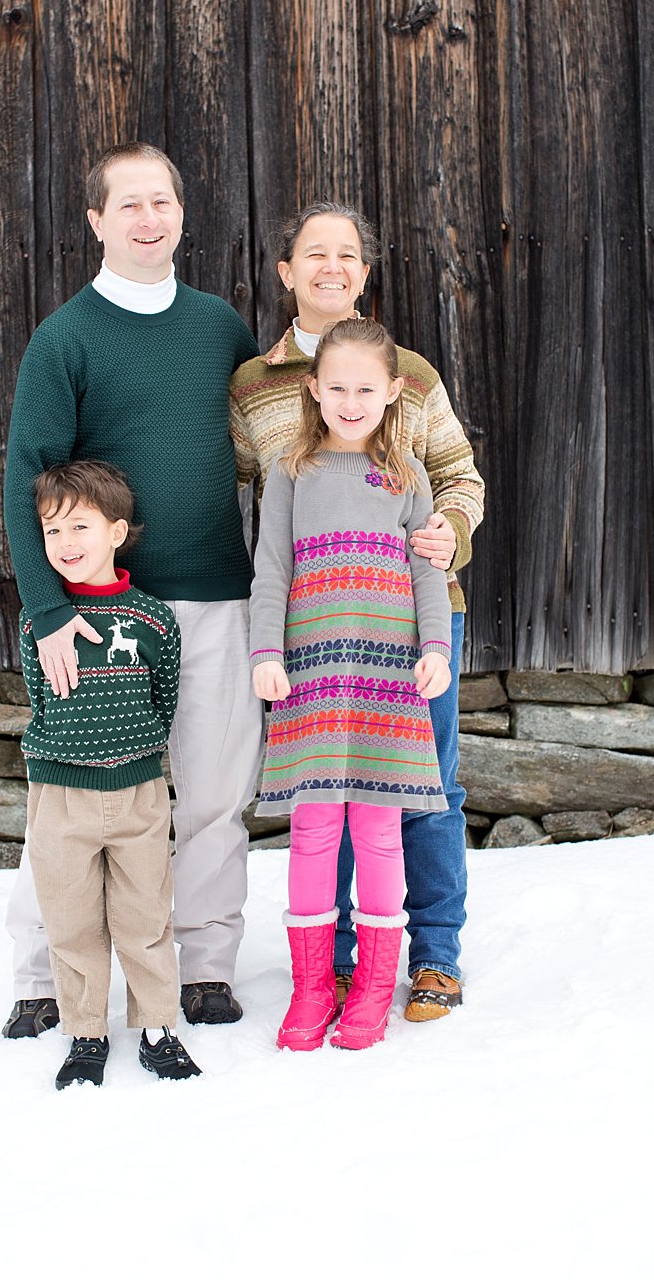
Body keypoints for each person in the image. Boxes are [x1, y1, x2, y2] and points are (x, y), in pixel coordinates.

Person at [0, 143, 265, 1038]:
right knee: (72, 796)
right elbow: (26, 479)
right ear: (96, 220)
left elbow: (269, 441)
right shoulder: (65, 337)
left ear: (182, 213)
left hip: (214, 596)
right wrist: (49, 612)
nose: (149, 219)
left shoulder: (220, 328)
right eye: (129, 205)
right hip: (101, 610)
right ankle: (42, 975)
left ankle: (207, 966)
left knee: (215, 795)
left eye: (162, 202)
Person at [229, 202, 484, 1022]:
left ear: (364, 273)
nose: (331, 267)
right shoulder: (254, 384)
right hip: (313, 629)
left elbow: (457, 475)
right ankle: (335, 962)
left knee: (425, 788)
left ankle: (434, 954)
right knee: (328, 796)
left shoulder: (409, 372)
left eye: (347, 254)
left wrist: (450, 530)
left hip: (411, 617)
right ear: (287, 271)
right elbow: (238, 490)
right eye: (315, 253)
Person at [248, 317, 454, 1050]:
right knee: (312, 828)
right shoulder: (290, 472)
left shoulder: (408, 475)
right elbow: (272, 569)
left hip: (386, 675)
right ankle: (312, 986)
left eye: (366, 389)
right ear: (313, 388)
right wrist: (265, 652)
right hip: (310, 672)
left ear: (394, 391)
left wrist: (436, 647)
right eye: (337, 387)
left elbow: (429, 572)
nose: (351, 401)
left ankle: (371, 984)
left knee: (377, 830)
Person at [17, 461, 201, 1088]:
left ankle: (157, 1027)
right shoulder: (41, 622)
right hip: (62, 794)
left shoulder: (152, 620)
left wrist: (134, 750)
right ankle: (86, 1030)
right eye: (51, 530)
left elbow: (163, 698)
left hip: (138, 792)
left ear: (117, 532)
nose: (65, 543)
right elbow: (43, 700)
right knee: (70, 919)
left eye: (80, 526)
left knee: (145, 916)